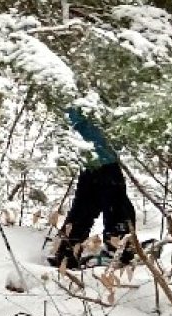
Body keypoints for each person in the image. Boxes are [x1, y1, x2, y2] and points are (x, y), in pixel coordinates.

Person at [49, 106, 138, 269]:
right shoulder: (87, 96)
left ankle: (66, 250)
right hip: (101, 157)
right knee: (117, 207)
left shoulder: (74, 95)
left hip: (89, 158)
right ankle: (117, 250)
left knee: (85, 206)